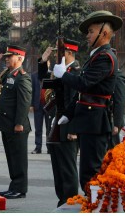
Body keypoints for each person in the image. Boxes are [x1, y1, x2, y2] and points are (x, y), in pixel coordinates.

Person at [53, 10, 123, 194]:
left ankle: (94, 207)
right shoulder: (96, 56)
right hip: (89, 120)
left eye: (91, 31)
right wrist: (69, 113)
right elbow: (84, 94)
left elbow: (84, 84)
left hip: (95, 122)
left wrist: (63, 75)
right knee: (87, 172)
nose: (87, 35)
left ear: (104, 33)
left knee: (91, 172)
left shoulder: (105, 57)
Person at [39, 39, 81, 207]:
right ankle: (62, 199)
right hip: (55, 122)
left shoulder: (76, 73)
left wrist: (73, 129)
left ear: (68, 53)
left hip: (67, 126)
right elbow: (45, 80)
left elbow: (76, 101)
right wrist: (43, 62)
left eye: (59, 52)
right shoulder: (62, 71)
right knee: (57, 165)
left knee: (67, 166)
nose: (56, 55)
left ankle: (69, 201)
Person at [0, 45, 32, 199]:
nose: (6, 59)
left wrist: (19, 123)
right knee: (11, 157)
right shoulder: (9, 74)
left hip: (16, 125)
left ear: (20, 58)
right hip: (7, 124)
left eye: (10, 57)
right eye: (6, 57)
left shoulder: (22, 76)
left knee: (18, 158)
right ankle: (14, 186)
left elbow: (24, 102)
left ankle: (20, 189)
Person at [30, 71, 51, 154]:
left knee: (49, 128)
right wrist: (31, 104)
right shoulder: (34, 76)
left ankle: (49, 147)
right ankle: (38, 147)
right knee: (38, 128)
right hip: (38, 105)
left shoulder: (51, 75)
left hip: (49, 105)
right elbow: (32, 90)